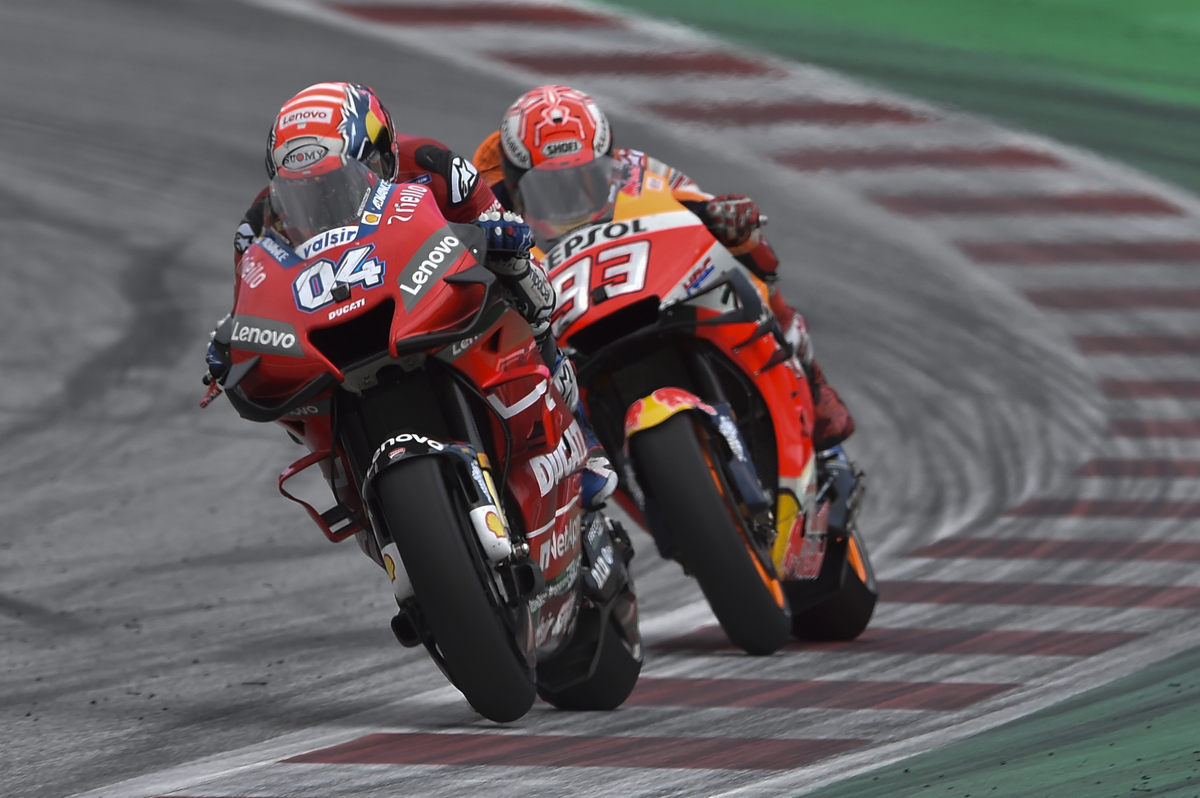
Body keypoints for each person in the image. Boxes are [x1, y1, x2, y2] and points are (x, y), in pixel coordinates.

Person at [207, 82, 616, 508]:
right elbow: (252, 304)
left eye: (340, 179)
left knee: (523, 284)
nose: (325, 198)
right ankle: (360, 489)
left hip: (427, 301)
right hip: (331, 334)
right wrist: (231, 343)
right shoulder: (256, 226)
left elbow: (499, 227)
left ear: (381, 155)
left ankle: (582, 439)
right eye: (303, 191)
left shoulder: (435, 166)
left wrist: (505, 240)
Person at [473, 84, 855, 453]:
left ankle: (812, 379)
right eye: (548, 187)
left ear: (606, 161)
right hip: (564, 319)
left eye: (584, 178)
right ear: (515, 182)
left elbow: (694, 203)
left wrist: (725, 216)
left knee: (745, 247)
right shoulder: (491, 208)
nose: (569, 197)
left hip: (647, 286)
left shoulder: (633, 166)